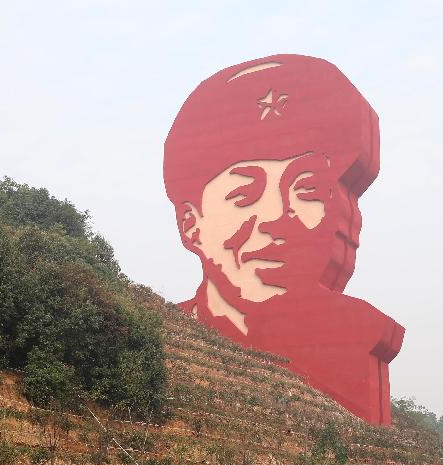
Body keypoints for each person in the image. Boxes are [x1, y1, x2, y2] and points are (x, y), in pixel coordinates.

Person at [163, 54, 404, 426]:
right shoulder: (157, 340)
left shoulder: (357, 339)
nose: (277, 216)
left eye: (305, 189)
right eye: (244, 195)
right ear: (191, 225)